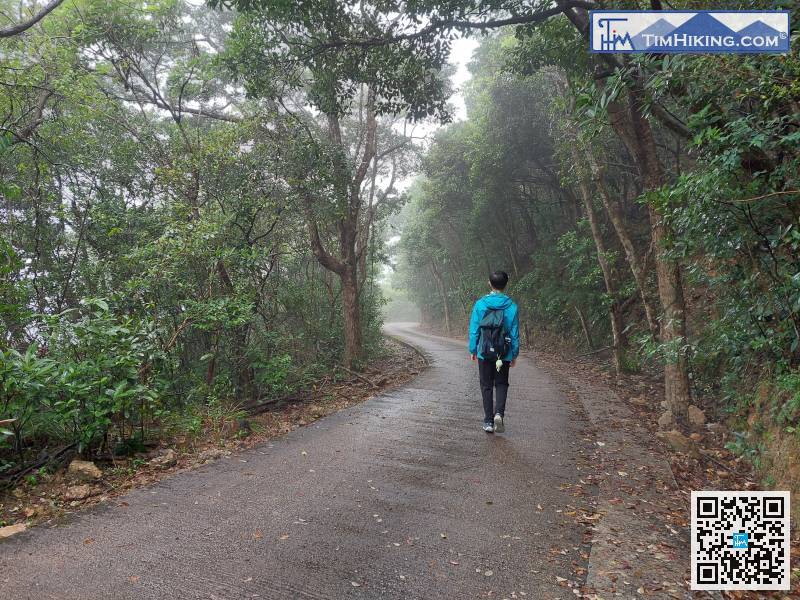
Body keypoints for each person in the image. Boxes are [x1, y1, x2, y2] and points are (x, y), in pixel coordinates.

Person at [468, 271, 520, 433]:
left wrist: (473, 348)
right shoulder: (511, 306)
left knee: (486, 385)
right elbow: (514, 332)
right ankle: (499, 413)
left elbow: (474, 328)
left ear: (489, 283)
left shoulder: (481, 304)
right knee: (502, 383)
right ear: (506, 284)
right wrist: (514, 353)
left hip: (484, 351)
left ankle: (488, 422)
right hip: (503, 352)